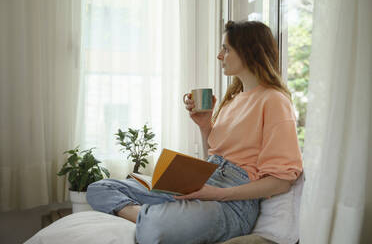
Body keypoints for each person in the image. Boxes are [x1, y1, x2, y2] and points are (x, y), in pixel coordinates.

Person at [86, 20, 303, 244]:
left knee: (155, 227)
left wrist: (216, 194)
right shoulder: (233, 99)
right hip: (204, 184)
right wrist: (204, 125)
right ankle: (155, 215)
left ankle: (156, 217)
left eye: (226, 49)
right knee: (100, 188)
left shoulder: (274, 100)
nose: (220, 56)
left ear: (249, 51)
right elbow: (213, 155)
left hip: (232, 203)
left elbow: (281, 181)